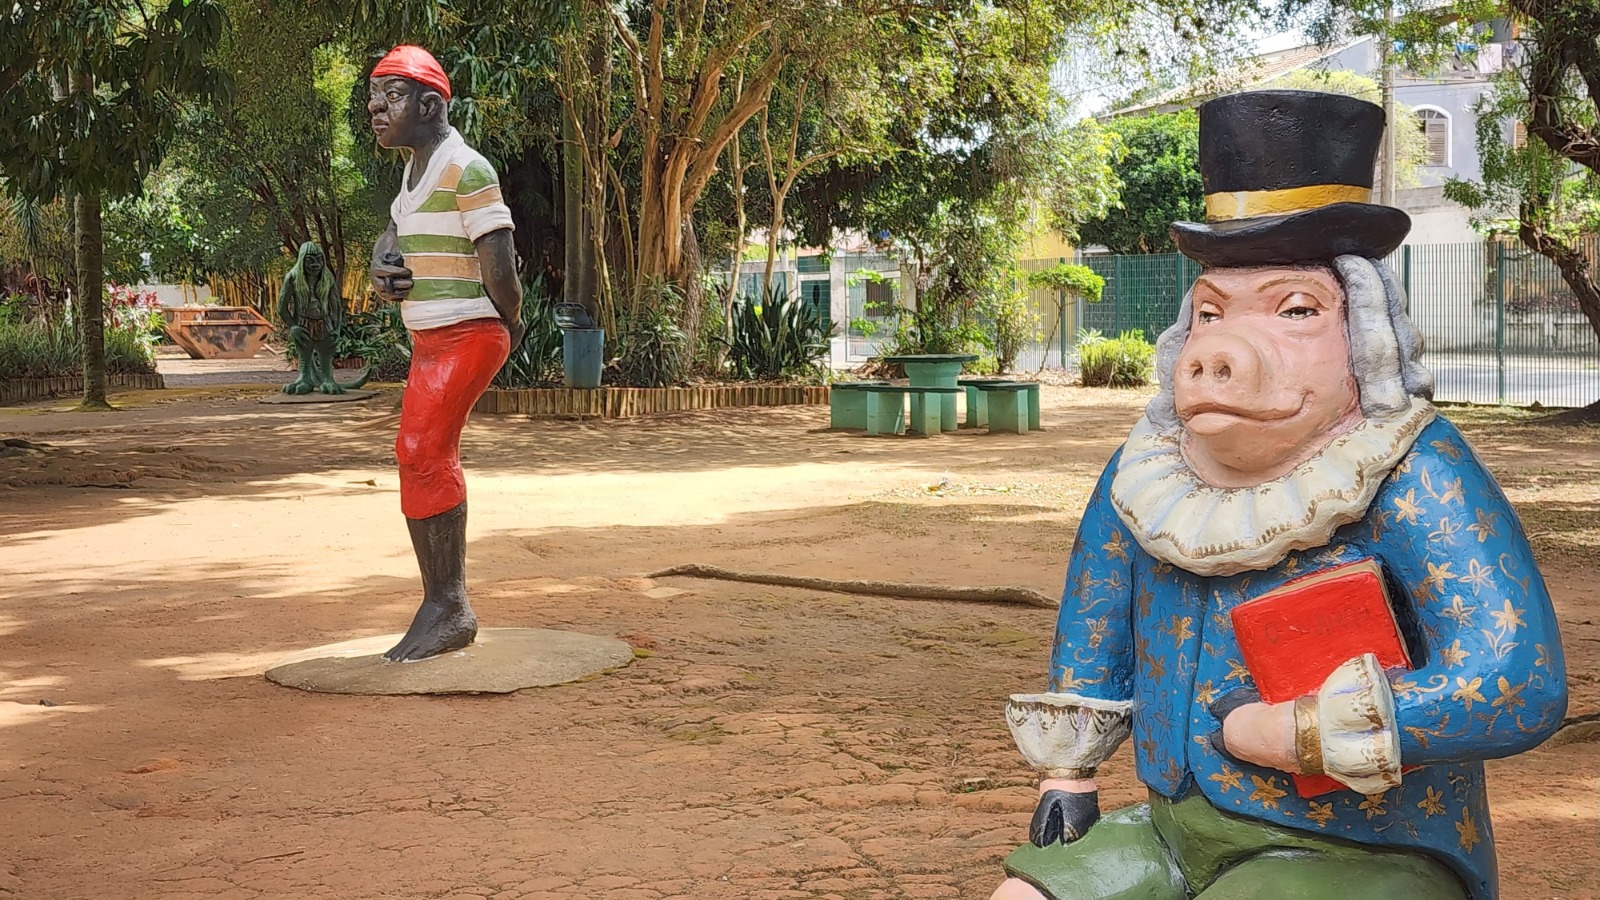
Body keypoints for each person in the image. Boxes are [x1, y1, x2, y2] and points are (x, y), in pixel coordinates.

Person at [992, 90, 1568, 900]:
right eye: (1211, 313)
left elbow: (1516, 677)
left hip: (1363, 842)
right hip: (1172, 827)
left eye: (1295, 310)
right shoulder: (1146, 472)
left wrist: (1304, 732)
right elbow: (1096, 623)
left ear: (1364, 334)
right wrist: (1068, 772)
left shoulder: (1413, 468)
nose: (1221, 348)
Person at [366, 44, 525, 662]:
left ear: (431, 105)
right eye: (373, 97)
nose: (376, 108)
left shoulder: (466, 169)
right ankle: (443, 601)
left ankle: (449, 605)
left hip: (468, 332)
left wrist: (509, 322)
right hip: (429, 337)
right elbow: (396, 230)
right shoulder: (413, 174)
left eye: (392, 96)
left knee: (422, 449)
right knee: (417, 453)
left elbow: (499, 264)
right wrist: (383, 261)